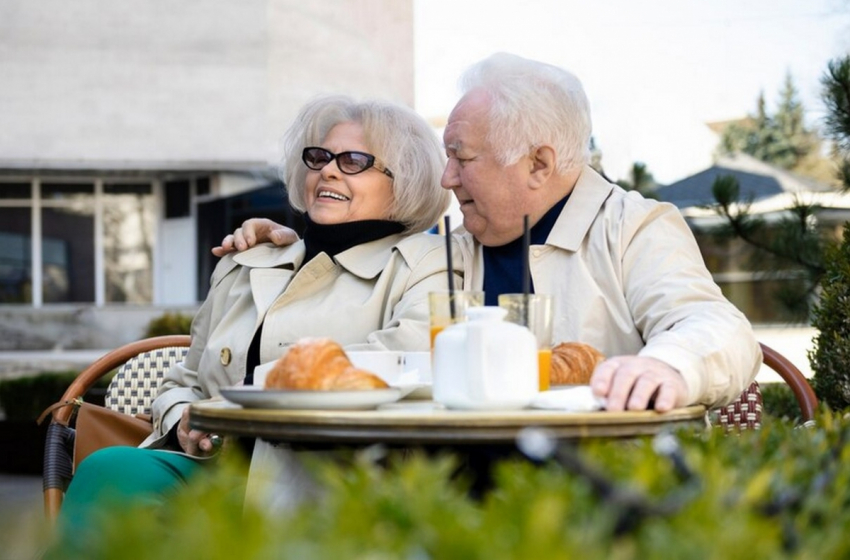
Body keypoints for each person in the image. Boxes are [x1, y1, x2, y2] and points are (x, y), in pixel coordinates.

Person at [216, 52, 762, 413]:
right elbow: (356, 269)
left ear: (539, 164)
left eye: (461, 157)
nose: (446, 177)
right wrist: (287, 245)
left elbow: (714, 324)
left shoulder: (633, 229)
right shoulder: (442, 250)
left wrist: (669, 364)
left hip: (593, 490)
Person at [54, 94, 459, 547]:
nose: (327, 170)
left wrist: (243, 406)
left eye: (354, 161)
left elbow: (399, 370)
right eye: (319, 157)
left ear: (404, 179)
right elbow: (181, 381)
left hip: (325, 487)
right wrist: (185, 418)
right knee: (111, 471)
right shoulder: (245, 261)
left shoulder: (427, 264)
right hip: (214, 472)